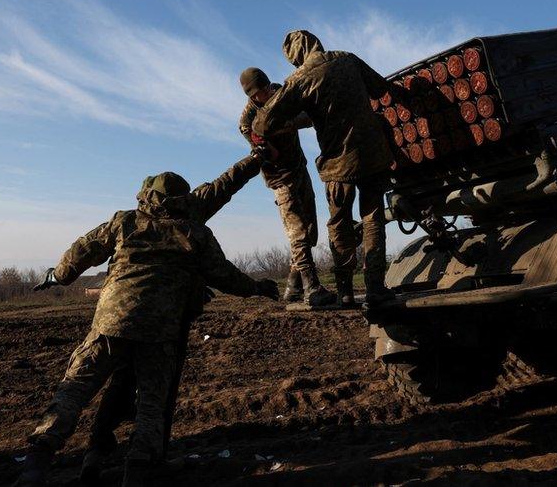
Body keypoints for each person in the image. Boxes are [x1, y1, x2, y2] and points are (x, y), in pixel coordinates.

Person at [17, 172, 279, 487]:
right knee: (152, 408)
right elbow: (226, 276)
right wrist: (259, 287)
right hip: (160, 334)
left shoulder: (123, 223)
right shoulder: (195, 234)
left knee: (73, 393)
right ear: (184, 201)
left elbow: (80, 252)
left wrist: (58, 276)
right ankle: (138, 472)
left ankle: (36, 465)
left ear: (146, 196)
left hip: (111, 326)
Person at [78, 153, 265, 482]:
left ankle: (96, 451)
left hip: (122, 316)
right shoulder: (193, 212)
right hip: (170, 318)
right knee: (158, 393)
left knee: (121, 381)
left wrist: (253, 161)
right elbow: (226, 184)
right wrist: (256, 160)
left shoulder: (133, 220)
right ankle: (147, 461)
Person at [253, 30, 398, 307]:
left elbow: (262, 124)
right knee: (373, 218)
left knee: (340, 223)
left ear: (295, 57)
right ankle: (376, 287)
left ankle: (345, 290)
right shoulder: (348, 59)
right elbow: (380, 88)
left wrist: (294, 115)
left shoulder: (299, 79)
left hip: (338, 164)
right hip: (372, 154)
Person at [239, 67, 337, 310]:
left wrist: (284, 123)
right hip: (279, 178)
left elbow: (307, 116)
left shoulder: (283, 94)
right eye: (257, 93)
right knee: (298, 232)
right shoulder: (249, 115)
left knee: (311, 230)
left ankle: (293, 286)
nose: (263, 95)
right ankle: (311, 288)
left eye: (265, 89)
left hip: (299, 169)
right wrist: (265, 140)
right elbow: (256, 139)